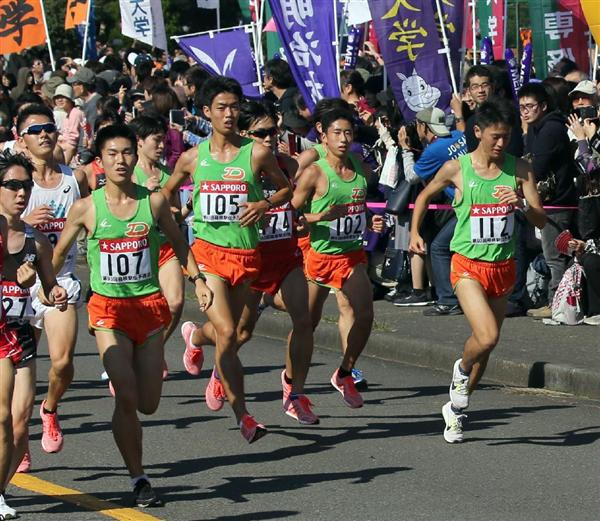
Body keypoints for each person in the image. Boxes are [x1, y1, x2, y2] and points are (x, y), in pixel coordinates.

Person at [49, 124, 213, 507]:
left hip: (148, 308)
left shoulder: (153, 202)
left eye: (126, 153)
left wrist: (199, 280)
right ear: (100, 162)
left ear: (133, 156)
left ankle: (133, 446)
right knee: (125, 394)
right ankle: (138, 477)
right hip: (108, 310)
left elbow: (177, 243)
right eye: (112, 154)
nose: (121, 160)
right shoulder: (86, 208)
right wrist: (45, 283)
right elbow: (56, 255)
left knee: (148, 403)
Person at [162, 76, 292, 443]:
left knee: (228, 334)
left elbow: (284, 188)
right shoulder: (192, 158)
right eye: (221, 107)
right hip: (207, 256)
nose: (230, 114)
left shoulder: (257, 152)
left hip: (246, 254)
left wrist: (263, 203)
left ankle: (193, 337)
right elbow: (166, 195)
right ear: (206, 113)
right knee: (229, 333)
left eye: (234, 106)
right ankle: (244, 416)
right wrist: (176, 215)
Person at [409, 99, 546, 443]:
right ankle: (461, 370)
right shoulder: (458, 168)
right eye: (496, 137)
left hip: (502, 267)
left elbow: (541, 218)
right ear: (478, 132)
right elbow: (424, 196)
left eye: (506, 137)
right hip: (467, 264)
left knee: (486, 347)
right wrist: (413, 233)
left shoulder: (520, 169)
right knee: (486, 336)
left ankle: (454, 412)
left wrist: (521, 205)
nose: (501, 144)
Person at [291, 108, 385, 409]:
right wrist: (320, 215)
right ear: (324, 136)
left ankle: (344, 372)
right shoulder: (314, 172)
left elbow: (355, 205)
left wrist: (369, 220)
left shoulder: (358, 167)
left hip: (350, 255)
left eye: (348, 133)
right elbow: (291, 216)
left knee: (365, 315)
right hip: (319, 256)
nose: (344, 139)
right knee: (306, 323)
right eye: (337, 133)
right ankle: (292, 387)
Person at [230, 100, 317, 424]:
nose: (269, 138)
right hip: (250, 261)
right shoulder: (236, 169)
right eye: (261, 133)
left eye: (273, 131)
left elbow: (298, 208)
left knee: (303, 319)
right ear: (244, 135)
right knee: (238, 334)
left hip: (286, 259)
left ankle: (293, 393)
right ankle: (201, 346)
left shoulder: (287, 166)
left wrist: (303, 220)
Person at [18, 104, 88, 456]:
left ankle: (49, 410)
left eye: (49, 127)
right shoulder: (14, 183)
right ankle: (20, 436)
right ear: (21, 140)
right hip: (18, 286)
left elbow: (96, 214)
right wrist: (25, 218)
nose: (44, 134)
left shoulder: (74, 179)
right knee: (19, 376)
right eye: (36, 130)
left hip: (60, 282)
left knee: (62, 363)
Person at [0, 151, 65, 520]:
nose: (21, 193)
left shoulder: (36, 242)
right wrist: (9, 276)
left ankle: (0, 492)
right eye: (12, 185)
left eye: (26, 186)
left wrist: (52, 294)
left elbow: (47, 288)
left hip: (18, 333)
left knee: (18, 419)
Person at [397, 107, 467, 311]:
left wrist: (405, 149)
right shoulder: (457, 135)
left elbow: (412, 177)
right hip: (472, 200)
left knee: (438, 247)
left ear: (423, 126)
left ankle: (447, 301)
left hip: (463, 206)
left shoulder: (434, 150)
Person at [518, 82, 578, 319]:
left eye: (530, 106)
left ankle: (557, 304)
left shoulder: (551, 129)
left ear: (543, 106)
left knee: (555, 257)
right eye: (521, 106)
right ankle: (555, 301)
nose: (525, 111)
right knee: (550, 255)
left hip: (557, 203)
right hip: (547, 202)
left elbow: (537, 168)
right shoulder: (537, 128)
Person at [130, 115, 184, 356]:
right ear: (139, 141)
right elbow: (122, 218)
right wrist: (145, 195)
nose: (162, 146)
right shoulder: (128, 174)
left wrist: (188, 208)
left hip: (165, 247)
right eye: (157, 140)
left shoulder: (168, 174)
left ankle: (150, 353)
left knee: (175, 303)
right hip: (137, 251)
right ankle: (131, 355)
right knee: (137, 311)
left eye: (164, 141)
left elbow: (176, 220)